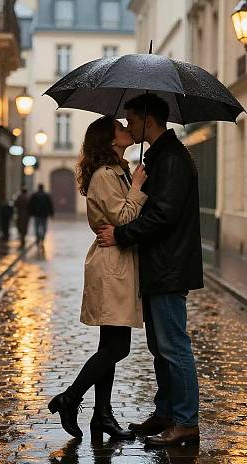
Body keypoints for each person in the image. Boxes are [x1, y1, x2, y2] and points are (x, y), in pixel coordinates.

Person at [97, 93, 203, 446]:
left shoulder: (172, 159)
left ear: (149, 120)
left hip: (168, 266)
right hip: (158, 266)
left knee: (174, 347)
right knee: (161, 348)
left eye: (131, 119)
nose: (127, 126)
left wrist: (122, 234)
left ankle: (186, 421)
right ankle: (166, 413)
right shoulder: (159, 157)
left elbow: (161, 216)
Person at [47, 115, 148, 441]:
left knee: (111, 345)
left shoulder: (119, 171)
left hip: (118, 262)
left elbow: (124, 219)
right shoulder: (106, 175)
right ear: (108, 139)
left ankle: (101, 416)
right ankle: (70, 398)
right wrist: (136, 189)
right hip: (111, 267)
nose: (127, 130)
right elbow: (124, 217)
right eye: (121, 128)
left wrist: (132, 181)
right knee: (117, 347)